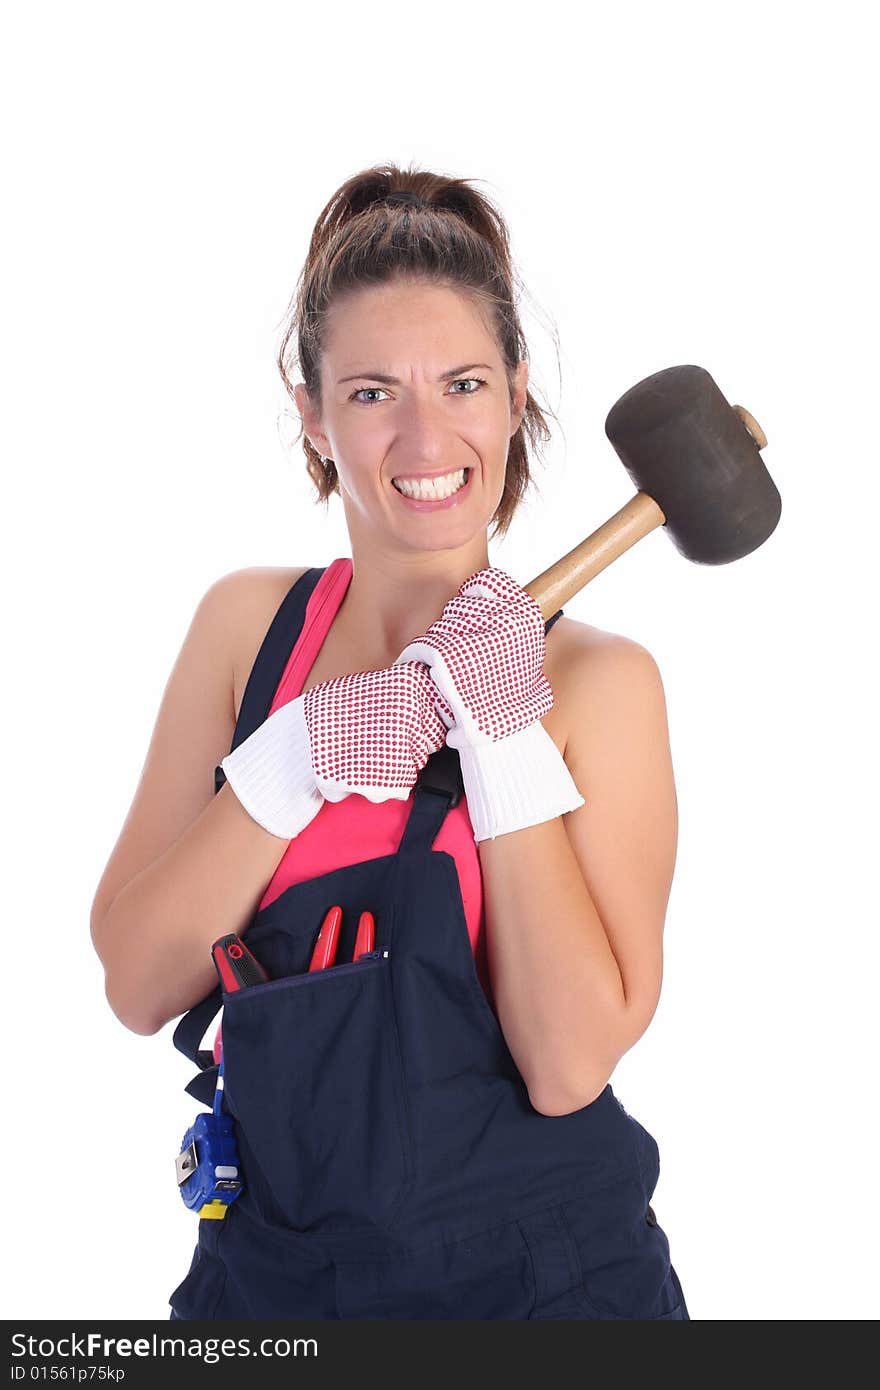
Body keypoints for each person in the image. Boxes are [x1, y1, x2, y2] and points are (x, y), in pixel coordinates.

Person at [90, 162, 689, 1320]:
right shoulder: (248, 633)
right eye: (371, 393)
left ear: (517, 394)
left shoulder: (595, 686)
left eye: (464, 382)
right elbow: (136, 979)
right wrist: (295, 757)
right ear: (311, 410)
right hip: (267, 1283)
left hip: (544, 1285)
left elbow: (567, 1065)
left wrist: (505, 738)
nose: (426, 434)